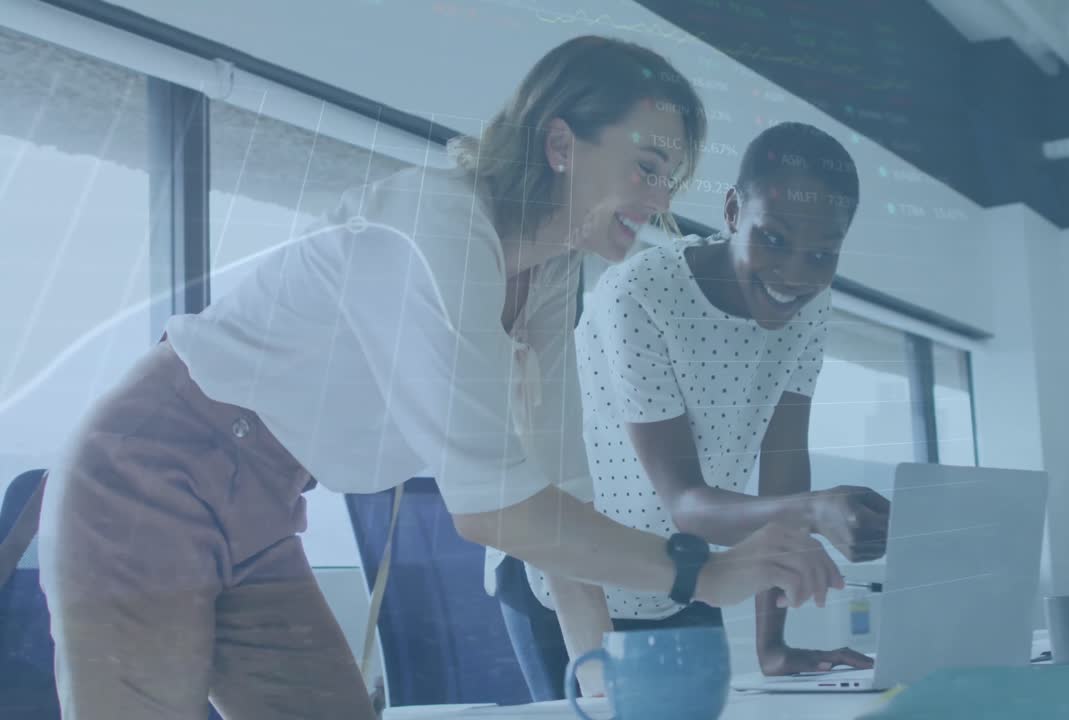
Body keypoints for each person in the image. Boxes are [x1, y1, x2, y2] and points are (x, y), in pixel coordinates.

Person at [35, 36, 845, 720]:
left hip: (265, 505)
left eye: (672, 178)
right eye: (647, 166)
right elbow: (495, 511)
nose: (662, 199)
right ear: (561, 146)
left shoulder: (555, 275)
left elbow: (561, 493)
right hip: (148, 469)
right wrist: (699, 569)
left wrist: (600, 685)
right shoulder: (439, 229)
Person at [496, 122, 889, 700]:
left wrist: (772, 646)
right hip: (569, 579)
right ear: (732, 211)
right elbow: (683, 500)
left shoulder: (811, 305)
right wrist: (813, 509)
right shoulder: (639, 297)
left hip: (682, 575)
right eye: (774, 239)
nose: (795, 275)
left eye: (822, 254)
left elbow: (783, 464)